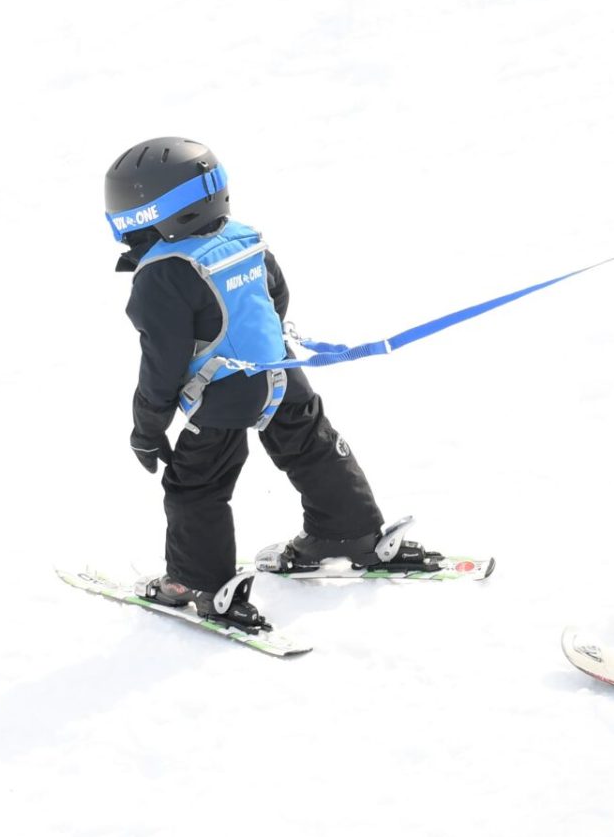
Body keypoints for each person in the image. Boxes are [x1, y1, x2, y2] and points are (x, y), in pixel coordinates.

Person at [105, 137, 423, 633]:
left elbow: (162, 366)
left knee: (197, 484)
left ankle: (195, 581)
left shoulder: (161, 275)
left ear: (151, 212)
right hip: (281, 372)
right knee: (311, 445)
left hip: (222, 395)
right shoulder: (245, 238)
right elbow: (277, 298)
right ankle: (349, 531)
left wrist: (147, 428)